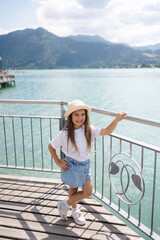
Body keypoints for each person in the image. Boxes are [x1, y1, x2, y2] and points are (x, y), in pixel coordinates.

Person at [48, 100, 127, 225]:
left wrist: (116, 120)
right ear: (70, 117)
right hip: (71, 165)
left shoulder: (88, 129)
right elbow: (51, 146)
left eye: (82, 114)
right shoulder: (64, 134)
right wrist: (58, 162)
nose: (80, 118)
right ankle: (74, 210)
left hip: (85, 165)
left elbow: (107, 131)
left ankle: (64, 204)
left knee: (87, 192)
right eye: (76, 115)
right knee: (73, 190)